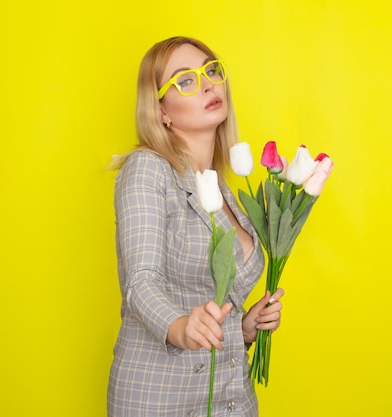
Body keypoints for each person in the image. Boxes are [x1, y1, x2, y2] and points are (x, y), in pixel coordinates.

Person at [107, 36, 285, 417]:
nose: (206, 83)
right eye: (184, 80)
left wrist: (245, 329)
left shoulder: (225, 191)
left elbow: (215, 303)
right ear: (161, 111)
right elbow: (140, 281)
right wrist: (180, 325)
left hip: (231, 397)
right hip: (160, 398)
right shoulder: (148, 170)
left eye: (210, 70)